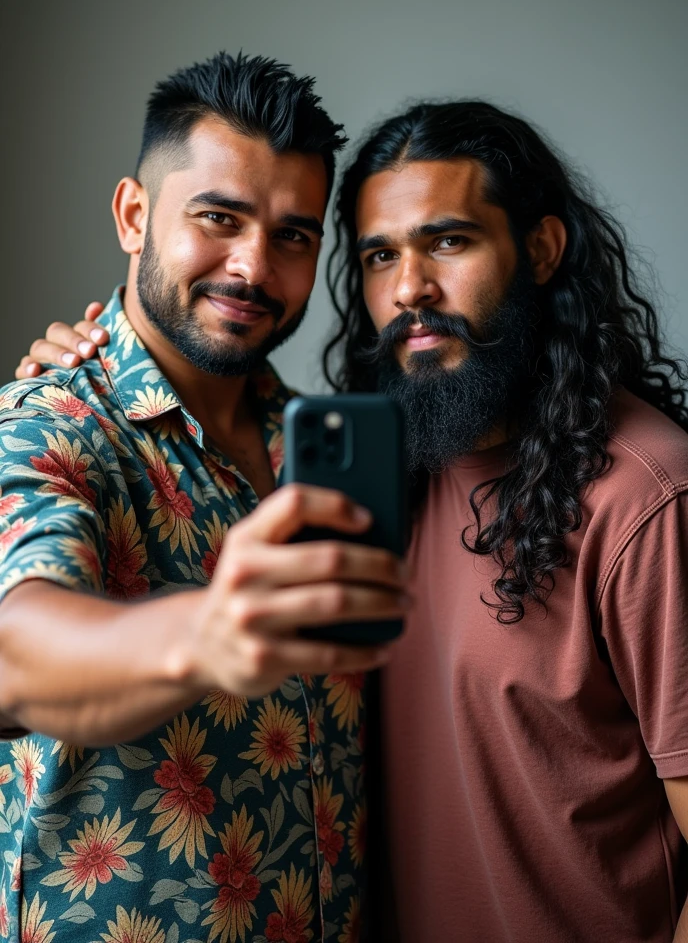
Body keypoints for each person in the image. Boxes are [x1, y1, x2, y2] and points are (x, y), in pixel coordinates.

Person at [32, 99, 688, 942]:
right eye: (381, 255)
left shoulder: (646, 498)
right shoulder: (371, 471)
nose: (410, 288)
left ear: (542, 248)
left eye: (448, 241)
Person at [0, 53, 408, 943]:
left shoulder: (314, 444)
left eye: (293, 235)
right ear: (135, 216)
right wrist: (206, 635)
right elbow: (14, 653)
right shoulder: (48, 420)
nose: (254, 267)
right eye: (219, 219)